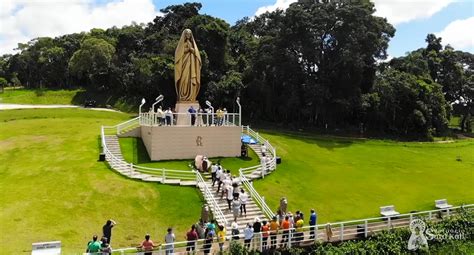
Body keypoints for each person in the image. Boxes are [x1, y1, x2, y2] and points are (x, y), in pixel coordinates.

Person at [175, 29, 201, 102]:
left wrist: (192, 49)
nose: (188, 35)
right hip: (184, 64)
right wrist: (187, 49)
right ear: (184, 35)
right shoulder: (182, 44)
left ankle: (191, 97)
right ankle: (183, 96)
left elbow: (197, 54)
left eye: (189, 34)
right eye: (187, 34)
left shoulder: (193, 44)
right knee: (184, 80)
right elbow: (178, 54)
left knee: (191, 80)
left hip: (192, 65)